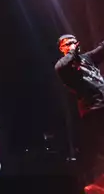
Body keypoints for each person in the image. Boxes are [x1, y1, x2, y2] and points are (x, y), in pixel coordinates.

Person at [55, 34, 104, 188]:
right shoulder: (63, 66)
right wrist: (72, 51)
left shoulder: (87, 58)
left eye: (74, 42)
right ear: (62, 48)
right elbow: (63, 65)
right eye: (68, 43)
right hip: (93, 109)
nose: (72, 44)